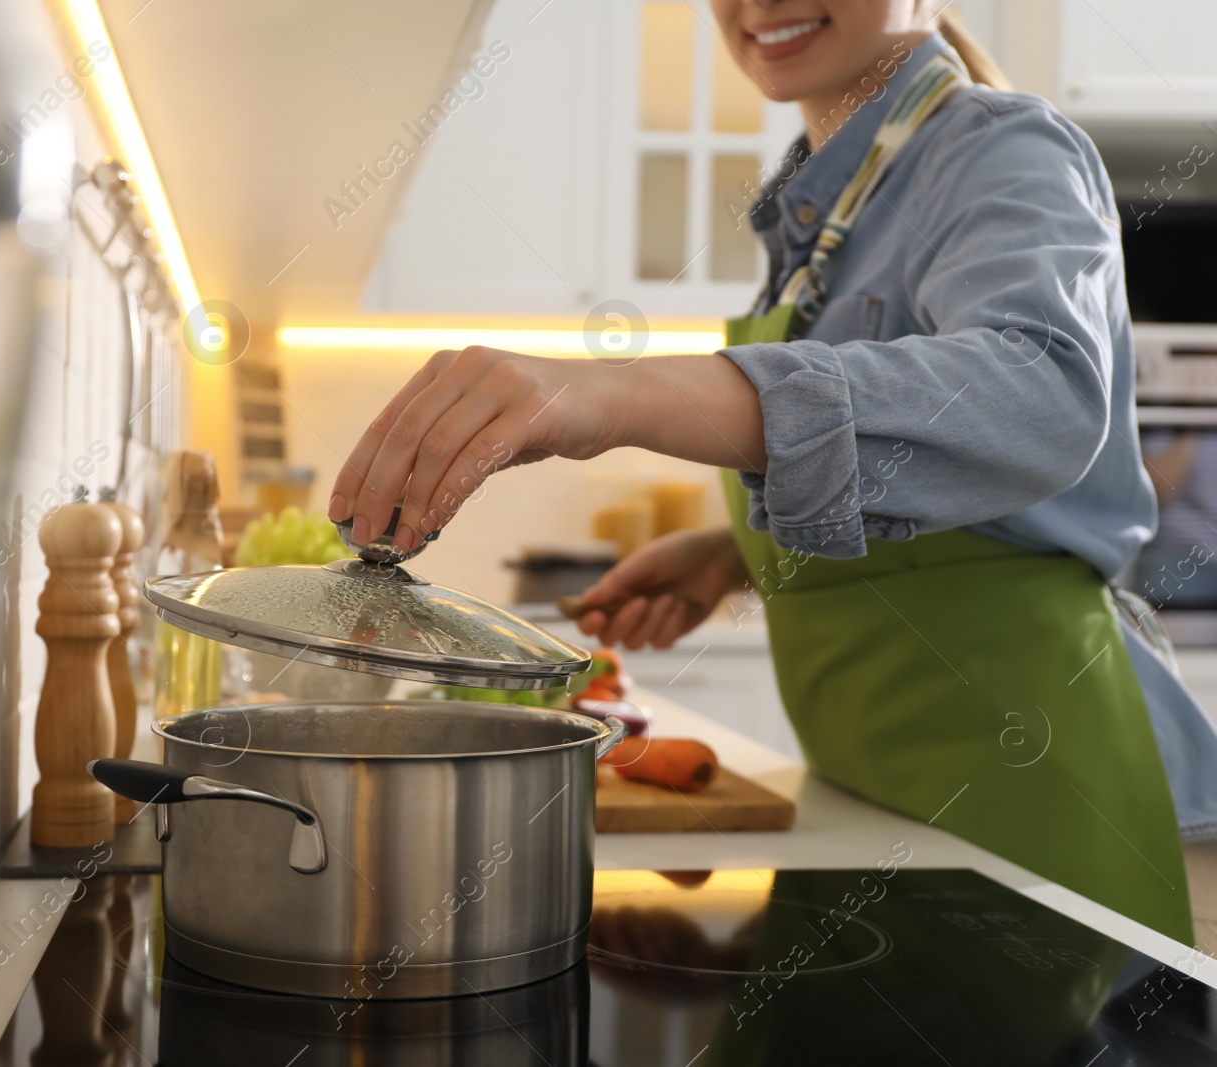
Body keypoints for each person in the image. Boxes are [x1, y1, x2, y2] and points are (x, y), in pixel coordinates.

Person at [327, 0, 1217, 947]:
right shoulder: (822, 209)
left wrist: (616, 396)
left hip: (1036, 800)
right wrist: (735, 554)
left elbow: (1041, 396)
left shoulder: (1001, 147)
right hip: (877, 807)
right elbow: (952, 499)